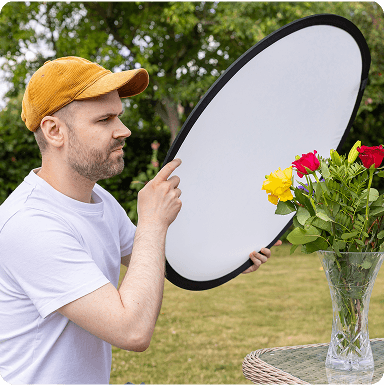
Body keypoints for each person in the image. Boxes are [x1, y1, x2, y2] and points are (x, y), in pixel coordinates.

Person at [0, 56, 281, 385]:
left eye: (119, 116)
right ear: (54, 131)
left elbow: (157, 259)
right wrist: (152, 221)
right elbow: (132, 330)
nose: (124, 131)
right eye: (104, 119)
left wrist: (228, 256)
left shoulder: (98, 198)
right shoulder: (29, 224)